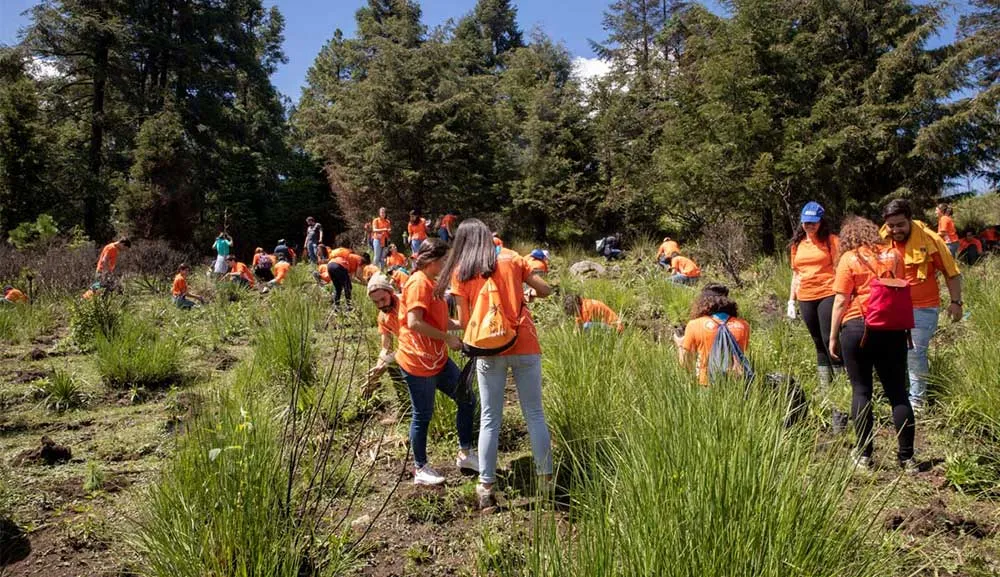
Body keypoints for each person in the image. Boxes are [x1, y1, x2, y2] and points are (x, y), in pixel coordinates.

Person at [439, 219, 554, 510]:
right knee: (534, 414)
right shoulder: (512, 258)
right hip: (524, 342)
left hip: (487, 351)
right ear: (488, 236)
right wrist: (525, 293)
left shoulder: (461, 271)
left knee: (490, 418)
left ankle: (486, 486)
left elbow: (465, 323)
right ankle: (545, 481)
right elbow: (545, 290)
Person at [830, 216, 915, 471]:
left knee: (862, 390)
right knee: (898, 392)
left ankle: (864, 455)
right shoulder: (893, 255)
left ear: (848, 237)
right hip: (892, 329)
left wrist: (833, 336)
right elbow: (898, 293)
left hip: (858, 326)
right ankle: (907, 458)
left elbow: (840, 301)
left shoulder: (848, 259)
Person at [395, 238, 476, 486]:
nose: (448, 265)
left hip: (436, 359)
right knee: (423, 415)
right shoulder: (419, 282)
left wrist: (461, 325)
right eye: (444, 260)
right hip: (417, 361)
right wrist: (447, 338)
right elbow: (414, 322)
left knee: (466, 398)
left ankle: (465, 454)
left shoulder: (433, 283)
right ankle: (420, 468)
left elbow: (436, 319)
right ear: (431, 260)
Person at [881, 199, 962, 410]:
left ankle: (917, 400)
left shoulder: (930, 239)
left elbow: (951, 272)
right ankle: (896, 392)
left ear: (910, 220)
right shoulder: (880, 239)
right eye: (891, 226)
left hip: (922, 307)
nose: (895, 230)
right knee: (891, 351)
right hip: (890, 307)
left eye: (900, 225)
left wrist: (956, 302)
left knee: (915, 352)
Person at [788, 201, 842, 392]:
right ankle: (826, 388)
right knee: (818, 341)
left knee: (830, 338)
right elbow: (796, 274)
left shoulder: (832, 241)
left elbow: (839, 268)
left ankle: (842, 384)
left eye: (813, 222)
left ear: (821, 222)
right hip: (805, 296)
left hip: (828, 293)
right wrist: (791, 301)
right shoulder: (796, 245)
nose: (809, 226)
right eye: (806, 222)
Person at [673, 284, 751, 386]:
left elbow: (685, 364)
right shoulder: (743, 325)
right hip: (738, 384)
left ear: (702, 303)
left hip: (707, 386)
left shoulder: (694, 324)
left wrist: (680, 344)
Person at [362, 274, 410, 408]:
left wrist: (389, 359)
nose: (381, 305)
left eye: (383, 299)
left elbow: (414, 339)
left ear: (391, 292)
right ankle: (405, 407)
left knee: (392, 361)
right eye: (376, 302)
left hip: (424, 348)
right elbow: (385, 348)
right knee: (390, 365)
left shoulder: (406, 304)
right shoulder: (383, 317)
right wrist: (376, 374)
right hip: (407, 351)